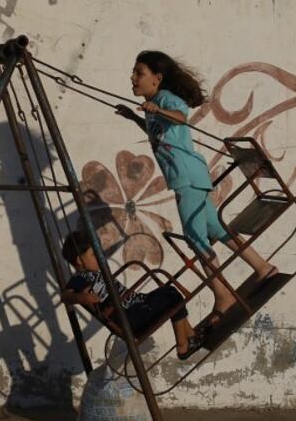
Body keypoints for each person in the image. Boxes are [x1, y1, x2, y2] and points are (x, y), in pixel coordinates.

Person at [115, 50, 277, 327]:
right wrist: (135, 118)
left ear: (157, 78)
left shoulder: (165, 99)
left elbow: (179, 118)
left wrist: (157, 109)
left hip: (186, 177)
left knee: (194, 237)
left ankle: (222, 294)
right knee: (215, 230)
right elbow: (160, 133)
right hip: (192, 176)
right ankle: (263, 267)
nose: (133, 78)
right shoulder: (155, 105)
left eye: (139, 73)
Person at [60, 230, 203, 360]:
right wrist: (82, 298)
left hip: (137, 306)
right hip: (130, 316)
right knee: (171, 297)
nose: (99, 256)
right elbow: (65, 296)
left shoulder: (99, 270)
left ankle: (190, 337)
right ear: (79, 260)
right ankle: (183, 345)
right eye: (93, 254)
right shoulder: (81, 278)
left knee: (169, 292)